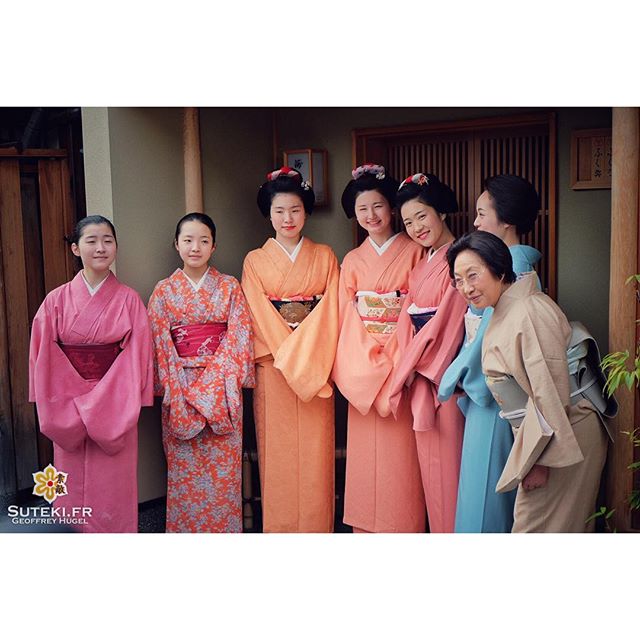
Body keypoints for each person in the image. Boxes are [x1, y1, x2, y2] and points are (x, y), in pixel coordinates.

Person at [447, 231, 609, 532]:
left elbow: (549, 389)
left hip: (564, 431)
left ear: (498, 267)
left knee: (536, 529)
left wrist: (540, 460)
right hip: (549, 431)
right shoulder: (507, 307)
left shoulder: (527, 311)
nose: (466, 288)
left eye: (473, 275)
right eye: (458, 280)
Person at [29, 215, 154, 533]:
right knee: (67, 481)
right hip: (65, 403)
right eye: (91, 241)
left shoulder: (129, 300)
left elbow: (136, 359)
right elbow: (43, 359)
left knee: (114, 481)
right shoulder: (55, 301)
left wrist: (102, 399)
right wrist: (71, 398)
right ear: (75, 248)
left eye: (108, 241)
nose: (101, 248)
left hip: (115, 403)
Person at [438, 175, 542, 532]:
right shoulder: (511, 262)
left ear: (507, 218)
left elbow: (487, 339)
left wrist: (453, 379)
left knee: (483, 496)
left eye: (483, 214)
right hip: (494, 395)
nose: (477, 222)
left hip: (497, 397)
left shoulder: (511, 269)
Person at [241, 167, 339, 532]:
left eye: (295, 210)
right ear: (268, 213)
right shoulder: (254, 261)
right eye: (280, 210)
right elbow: (257, 313)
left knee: (316, 455)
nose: (288, 218)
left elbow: (331, 312)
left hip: (314, 366)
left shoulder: (326, 256)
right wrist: (292, 358)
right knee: (277, 455)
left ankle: (317, 529)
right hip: (277, 369)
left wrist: (302, 359)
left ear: (306, 212)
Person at [332, 164, 425, 533]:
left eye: (379, 206)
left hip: (403, 365)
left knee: (400, 459)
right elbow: (346, 316)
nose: (371, 216)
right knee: (366, 460)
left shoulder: (416, 251)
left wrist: (396, 360)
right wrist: (370, 360)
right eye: (362, 209)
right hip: (364, 369)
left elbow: (417, 308)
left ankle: (403, 526)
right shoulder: (353, 260)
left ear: (392, 208)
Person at [148, 212, 254, 533]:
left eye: (204, 240)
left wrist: (208, 388)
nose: (196, 247)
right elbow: (159, 345)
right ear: (176, 245)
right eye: (188, 240)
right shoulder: (164, 292)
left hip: (222, 390)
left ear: (214, 246)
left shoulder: (229, 287)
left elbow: (240, 337)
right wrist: (180, 392)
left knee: (224, 478)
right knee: (184, 476)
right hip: (179, 389)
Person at [388, 173, 468, 533]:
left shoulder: (463, 259)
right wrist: (408, 363)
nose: (417, 227)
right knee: (431, 477)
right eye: (408, 222)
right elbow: (408, 319)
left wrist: (413, 365)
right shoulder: (421, 266)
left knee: (450, 473)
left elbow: (449, 324)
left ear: (441, 211)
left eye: (422, 215)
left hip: (447, 379)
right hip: (421, 374)